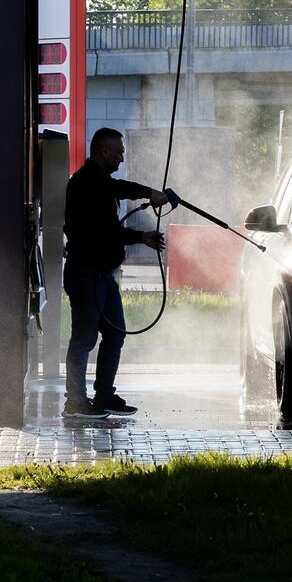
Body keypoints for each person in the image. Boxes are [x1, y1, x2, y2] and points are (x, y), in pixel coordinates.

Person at [62, 127, 167, 419]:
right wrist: (148, 196)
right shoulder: (85, 183)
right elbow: (103, 228)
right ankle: (75, 402)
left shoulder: (100, 182)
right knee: (83, 338)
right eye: (118, 151)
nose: (122, 157)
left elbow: (115, 196)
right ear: (103, 151)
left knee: (115, 334)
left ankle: (104, 395)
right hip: (86, 274)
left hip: (103, 274)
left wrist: (141, 235)